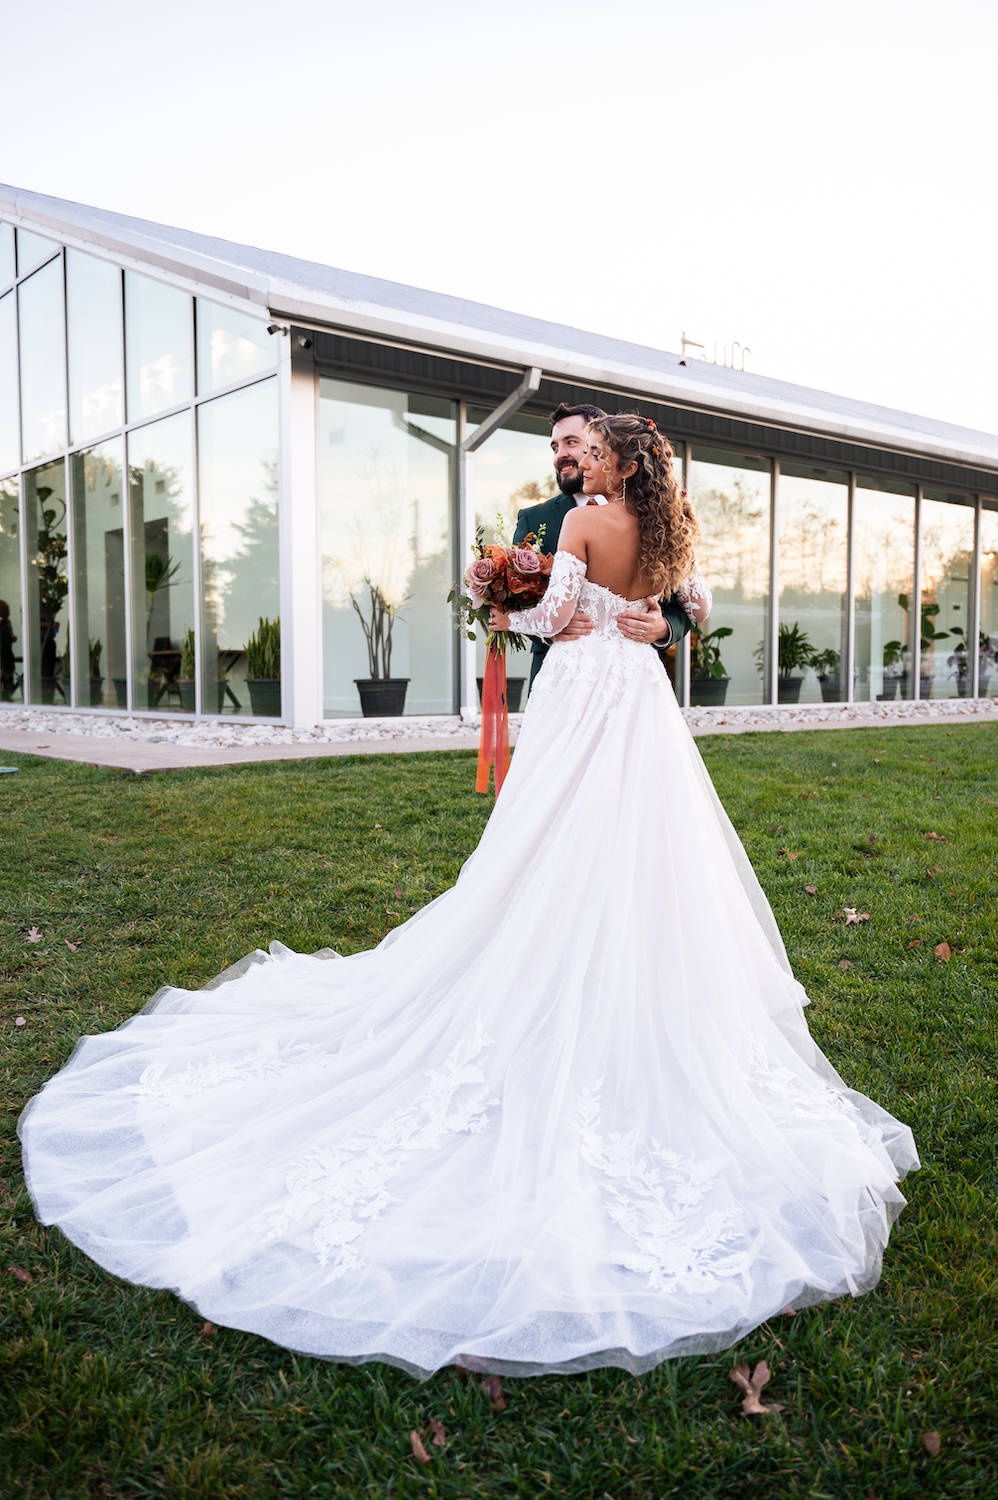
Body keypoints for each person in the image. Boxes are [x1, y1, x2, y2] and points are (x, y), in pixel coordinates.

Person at [19, 414, 917, 1383]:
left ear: (612, 461)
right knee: (641, 851)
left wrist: (503, 596)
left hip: (581, 697)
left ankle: (542, 960)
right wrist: (647, 622)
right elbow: (683, 607)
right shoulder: (673, 532)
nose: (585, 467)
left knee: (541, 849)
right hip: (641, 708)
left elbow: (553, 619)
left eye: (593, 454)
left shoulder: (580, 524)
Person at [512, 402, 693, 691]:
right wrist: (550, 632)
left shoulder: (663, 517)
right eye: (555, 447)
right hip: (564, 679)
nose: (563, 455)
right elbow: (518, 596)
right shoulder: (535, 518)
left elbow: (687, 602)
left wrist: (664, 628)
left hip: (635, 677)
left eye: (573, 443)